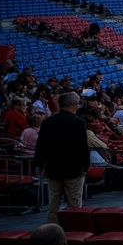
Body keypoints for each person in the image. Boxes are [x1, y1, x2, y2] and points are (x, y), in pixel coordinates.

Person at [33, 91, 88, 223]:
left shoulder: (48, 122)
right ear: (75, 103)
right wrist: (85, 166)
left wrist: (39, 164)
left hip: (53, 168)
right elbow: (82, 147)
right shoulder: (78, 122)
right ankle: (73, 231)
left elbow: (41, 146)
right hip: (73, 169)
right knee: (74, 204)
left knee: (53, 204)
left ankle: (52, 229)